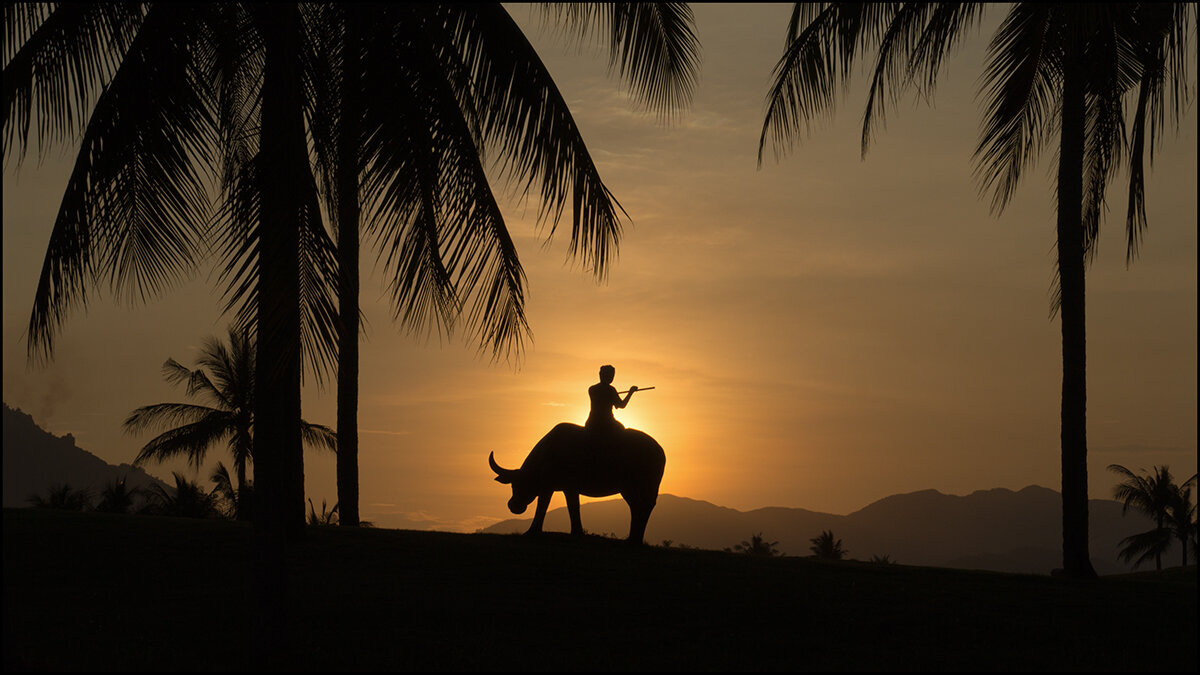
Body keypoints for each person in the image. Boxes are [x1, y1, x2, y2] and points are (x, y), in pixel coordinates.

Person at [586, 364, 637, 436]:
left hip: (592, 421)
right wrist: (630, 392)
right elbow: (622, 405)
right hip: (607, 423)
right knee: (621, 430)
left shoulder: (592, 388)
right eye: (611, 375)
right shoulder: (611, 389)